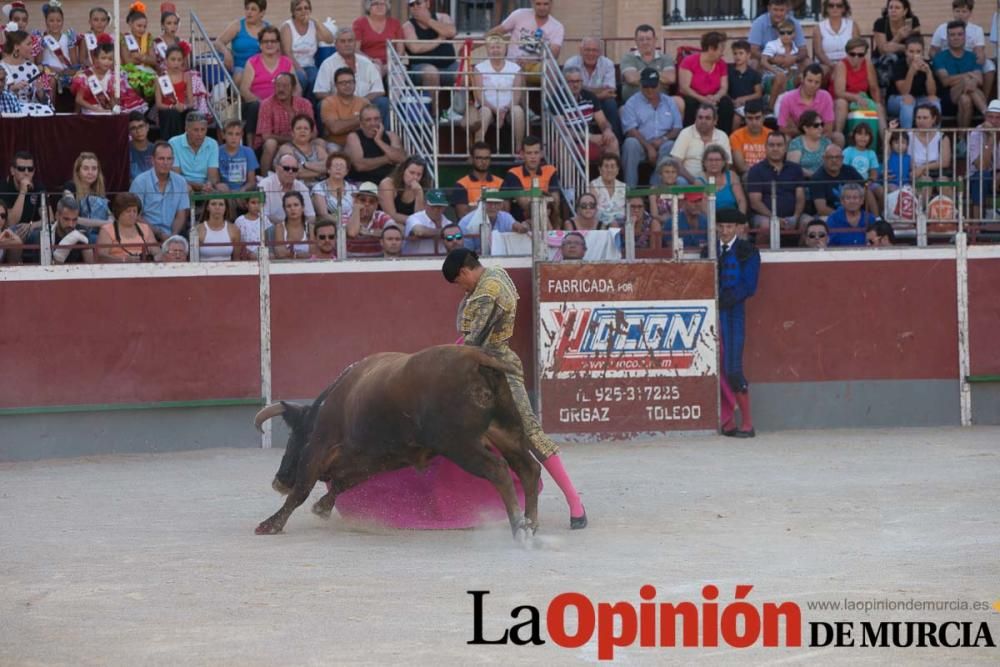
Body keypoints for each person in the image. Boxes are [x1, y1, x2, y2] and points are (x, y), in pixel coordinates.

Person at [442, 248, 587, 528]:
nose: (461, 289)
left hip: (495, 370)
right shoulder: (496, 274)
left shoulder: (486, 293)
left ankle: (575, 503)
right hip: (483, 365)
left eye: (459, 283)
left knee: (531, 434)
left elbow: (472, 342)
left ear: (464, 272)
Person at [706, 208, 759, 438]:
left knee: (732, 367)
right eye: (722, 226)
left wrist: (720, 301)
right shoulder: (707, 249)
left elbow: (749, 286)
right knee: (713, 365)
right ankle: (727, 421)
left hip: (733, 313)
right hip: (712, 314)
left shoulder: (748, 251)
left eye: (730, 227)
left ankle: (747, 423)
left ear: (738, 228)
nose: (725, 231)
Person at [620, 67, 683, 187]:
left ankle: (655, 188)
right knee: (630, 143)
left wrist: (662, 139)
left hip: (662, 142)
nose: (649, 90)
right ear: (640, 85)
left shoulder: (669, 101)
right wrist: (649, 147)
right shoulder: (632, 103)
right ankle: (630, 190)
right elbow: (630, 130)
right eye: (646, 86)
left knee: (670, 145)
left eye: (653, 86)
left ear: (659, 85)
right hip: (641, 143)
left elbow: (677, 127)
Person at [313, 27, 387, 124]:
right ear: (336, 44)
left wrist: (361, 102)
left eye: (350, 41)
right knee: (322, 104)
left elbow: (379, 90)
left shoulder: (367, 63)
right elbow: (319, 92)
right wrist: (341, 101)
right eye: (343, 41)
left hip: (365, 104)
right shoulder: (327, 64)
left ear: (355, 43)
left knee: (383, 102)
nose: (347, 44)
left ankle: (381, 136)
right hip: (339, 105)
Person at [402, 0, 458, 120]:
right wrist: (440, 39)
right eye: (411, 5)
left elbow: (451, 32)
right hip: (420, 68)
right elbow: (415, 48)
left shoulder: (442, 17)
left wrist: (427, 20)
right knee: (431, 72)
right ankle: (434, 114)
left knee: (465, 72)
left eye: (418, 3)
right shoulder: (408, 25)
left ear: (427, 3)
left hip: (448, 66)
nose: (415, 7)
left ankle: (458, 111)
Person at [747, 132, 807, 245]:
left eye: (779, 145)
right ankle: (761, 260)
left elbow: (800, 197)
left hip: (793, 216)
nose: (775, 149)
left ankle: (803, 259)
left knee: (809, 224)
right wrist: (776, 219)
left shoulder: (796, 169)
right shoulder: (756, 170)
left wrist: (795, 217)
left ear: (785, 148)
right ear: (765, 147)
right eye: (771, 145)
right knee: (766, 226)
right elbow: (755, 202)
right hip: (765, 216)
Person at [240, 25, 296, 146]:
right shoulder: (252, 62)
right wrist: (264, 104)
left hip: (282, 102)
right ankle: (251, 147)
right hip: (258, 104)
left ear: (278, 44)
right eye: (265, 41)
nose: (269, 44)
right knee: (254, 107)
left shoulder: (287, 62)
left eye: (273, 41)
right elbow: (244, 90)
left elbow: (296, 87)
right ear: (260, 45)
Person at [469, 34, 525, 153]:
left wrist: (505, 110)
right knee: (484, 112)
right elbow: (479, 95)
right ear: (487, 50)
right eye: (492, 47)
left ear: (504, 49)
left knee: (518, 111)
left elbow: (517, 95)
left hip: (508, 108)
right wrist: (496, 110)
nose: (495, 50)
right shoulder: (479, 68)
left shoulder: (515, 68)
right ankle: (478, 151)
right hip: (487, 106)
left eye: (498, 47)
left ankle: (519, 150)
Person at [929, 0, 994, 99]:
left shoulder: (977, 30)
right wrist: (939, 61)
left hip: (969, 60)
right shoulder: (942, 28)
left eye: (964, 11)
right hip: (947, 60)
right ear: (953, 11)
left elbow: (979, 51)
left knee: (990, 66)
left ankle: (985, 97)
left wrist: (975, 65)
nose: (960, 14)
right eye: (957, 11)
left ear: (970, 13)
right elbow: (933, 50)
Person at [129, 141, 190, 240]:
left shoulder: (180, 181)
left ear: (173, 161)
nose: (165, 163)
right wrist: (159, 234)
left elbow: (181, 214)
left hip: (172, 233)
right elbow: (136, 216)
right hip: (145, 233)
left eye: (169, 159)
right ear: (152, 160)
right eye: (161, 159)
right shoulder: (140, 182)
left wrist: (173, 237)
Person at [933, 20, 987, 131]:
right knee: (967, 81)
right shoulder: (940, 57)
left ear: (965, 37)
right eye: (952, 35)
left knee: (965, 99)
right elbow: (946, 81)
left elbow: (980, 80)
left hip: (970, 99)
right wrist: (968, 76)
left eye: (959, 34)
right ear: (947, 38)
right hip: (948, 97)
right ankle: (989, 115)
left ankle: (961, 140)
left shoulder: (972, 56)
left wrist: (970, 81)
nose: (956, 38)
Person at [563, 36, 621, 139]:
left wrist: (584, 88)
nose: (591, 54)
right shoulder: (570, 63)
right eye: (587, 50)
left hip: (600, 102)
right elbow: (570, 89)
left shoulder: (607, 64)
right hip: (577, 100)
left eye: (594, 50)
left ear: (600, 52)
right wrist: (599, 92)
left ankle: (615, 141)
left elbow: (610, 91)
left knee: (611, 103)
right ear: (581, 51)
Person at [678, 31, 735, 134]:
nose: (722, 53)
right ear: (711, 49)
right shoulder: (689, 61)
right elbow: (684, 88)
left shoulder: (721, 64)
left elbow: (724, 87)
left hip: (713, 98)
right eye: (721, 49)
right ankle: (690, 136)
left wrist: (716, 97)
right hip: (694, 97)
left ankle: (723, 137)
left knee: (726, 103)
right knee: (690, 103)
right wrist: (703, 99)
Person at [71, 38, 146, 115]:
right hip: (90, 109)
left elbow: (112, 99)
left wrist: (114, 109)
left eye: (110, 59)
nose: (106, 62)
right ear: (96, 59)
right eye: (103, 58)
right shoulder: (85, 76)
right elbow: (79, 100)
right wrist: (97, 110)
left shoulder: (113, 76)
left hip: (106, 110)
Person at [256, 71, 314, 171]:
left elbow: (314, 132)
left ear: (293, 88)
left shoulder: (305, 104)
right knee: (270, 143)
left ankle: (321, 177)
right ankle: (264, 180)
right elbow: (266, 136)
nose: (281, 89)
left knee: (320, 142)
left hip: (301, 141)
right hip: (275, 145)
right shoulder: (266, 104)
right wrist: (293, 140)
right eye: (278, 86)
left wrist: (300, 140)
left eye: (285, 86)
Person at [487, 0, 565, 73]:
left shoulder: (557, 27)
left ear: (551, 4)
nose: (542, 8)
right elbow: (496, 32)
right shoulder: (519, 14)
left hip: (538, 69)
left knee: (550, 68)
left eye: (545, 4)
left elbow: (554, 53)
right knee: (517, 71)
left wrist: (531, 60)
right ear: (532, 3)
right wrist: (476, 44)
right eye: (538, 4)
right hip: (514, 66)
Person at [559, 65, 618, 160]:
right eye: (571, 82)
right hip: (569, 140)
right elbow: (562, 129)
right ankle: (568, 175)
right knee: (564, 142)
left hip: (588, 140)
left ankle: (611, 175)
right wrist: (589, 137)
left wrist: (607, 130)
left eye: (578, 81)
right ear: (564, 83)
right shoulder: (557, 99)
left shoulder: (590, 97)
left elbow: (603, 121)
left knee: (612, 140)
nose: (575, 85)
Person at [501, 136, 562, 222]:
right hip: (522, 221)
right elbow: (524, 204)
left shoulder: (550, 170)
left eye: (536, 153)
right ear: (522, 154)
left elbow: (555, 201)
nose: (533, 157)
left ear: (541, 154)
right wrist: (544, 198)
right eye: (529, 153)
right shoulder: (513, 173)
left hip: (548, 215)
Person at [831, 37, 884, 137]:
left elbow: (874, 88)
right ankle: (838, 136)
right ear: (847, 53)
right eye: (852, 54)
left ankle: (886, 143)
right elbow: (839, 92)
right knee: (842, 103)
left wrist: (877, 103)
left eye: (860, 55)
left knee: (879, 107)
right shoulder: (841, 65)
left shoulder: (867, 64)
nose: (856, 58)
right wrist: (856, 98)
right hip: (843, 99)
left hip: (861, 97)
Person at [279, 0, 333, 97]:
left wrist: (316, 21)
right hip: (291, 66)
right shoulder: (287, 26)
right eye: (299, 9)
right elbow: (287, 52)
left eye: (306, 8)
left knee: (316, 79)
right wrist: (299, 69)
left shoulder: (313, 25)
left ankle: (310, 108)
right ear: (293, 12)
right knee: (301, 78)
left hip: (310, 66)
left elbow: (330, 39)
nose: (303, 11)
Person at [344, 103, 405, 183]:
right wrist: (387, 159)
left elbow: (402, 158)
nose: (373, 123)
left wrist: (379, 140)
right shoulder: (354, 137)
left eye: (376, 119)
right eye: (368, 120)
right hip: (363, 184)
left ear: (381, 120)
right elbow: (360, 165)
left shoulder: (391, 136)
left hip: (389, 183)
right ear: (361, 123)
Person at [888, 36, 940, 129]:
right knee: (908, 99)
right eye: (911, 51)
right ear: (906, 52)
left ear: (922, 52)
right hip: (896, 100)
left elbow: (932, 93)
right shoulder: (899, 65)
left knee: (934, 100)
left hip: (919, 99)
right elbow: (904, 92)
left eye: (918, 52)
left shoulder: (927, 64)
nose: (914, 55)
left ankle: (935, 137)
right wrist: (911, 71)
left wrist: (928, 73)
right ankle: (907, 137)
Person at [670, 104, 732, 183]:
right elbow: (676, 162)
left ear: (715, 121)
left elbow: (727, 164)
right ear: (695, 119)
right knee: (680, 181)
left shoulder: (722, 136)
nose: (703, 121)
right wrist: (694, 181)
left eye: (707, 118)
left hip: (715, 181)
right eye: (700, 117)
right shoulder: (686, 133)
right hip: (688, 180)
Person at [23, 196, 93, 265]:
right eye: (66, 219)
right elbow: (47, 271)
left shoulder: (81, 233)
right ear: (57, 216)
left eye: (74, 220)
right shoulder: (44, 235)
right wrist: (68, 242)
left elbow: (91, 269)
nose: (71, 224)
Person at [809, 143, 872, 219]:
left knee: (868, 190)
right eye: (830, 157)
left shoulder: (850, 170)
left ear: (842, 159)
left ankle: (877, 219)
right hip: (830, 215)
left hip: (855, 211)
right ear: (824, 158)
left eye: (837, 157)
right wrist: (845, 216)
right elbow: (821, 209)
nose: (834, 160)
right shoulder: (817, 178)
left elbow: (866, 188)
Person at [778, 64, 836, 142]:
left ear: (821, 83)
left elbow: (828, 128)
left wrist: (804, 131)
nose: (813, 85)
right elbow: (782, 128)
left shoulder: (825, 96)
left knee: (838, 137)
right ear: (802, 79)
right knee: (786, 139)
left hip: (819, 137)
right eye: (810, 81)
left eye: (817, 82)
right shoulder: (788, 98)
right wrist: (809, 133)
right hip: (796, 138)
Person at [215, 0, 269, 82]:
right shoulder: (237, 25)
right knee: (240, 76)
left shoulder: (267, 28)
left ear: (262, 13)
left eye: (253, 9)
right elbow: (218, 42)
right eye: (247, 9)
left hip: (260, 67)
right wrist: (226, 52)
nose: (249, 12)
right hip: (239, 68)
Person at [63, 151, 113, 241]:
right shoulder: (70, 187)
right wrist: (104, 223)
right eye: (86, 169)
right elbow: (72, 218)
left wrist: (110, 219)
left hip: (99, 233)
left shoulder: (98, 191)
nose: (90, 172)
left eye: (94, 169)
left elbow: (111, 216)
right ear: (78, 171)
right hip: (74, 234)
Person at [169, 112, 223, 193]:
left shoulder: (212, 144)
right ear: (186, 129)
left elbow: (212, 175)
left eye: (203, 129)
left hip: (205, 185)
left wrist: (209, 184)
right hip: (183, 184)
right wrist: (198, 186)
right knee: (186, 189)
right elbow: (176, 177)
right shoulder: (174, 143)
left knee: (223, 188)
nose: (200, 134)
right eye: (196, 130)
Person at [873, 0, 921, 91]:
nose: (893, 10)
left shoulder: (912, 21)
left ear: (905, 11)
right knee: (891, 57)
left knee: (913, 58)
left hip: (906, 56)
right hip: (881, 59)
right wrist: (898, 37)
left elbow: (917, 44)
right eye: (890, 7)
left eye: (897, 8)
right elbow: (882, 50)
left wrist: (897, 47)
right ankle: (885, 92)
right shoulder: (881, 23)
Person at [761, 19, 809, 111]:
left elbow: (794, 68)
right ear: (778, 34)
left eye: (789, 32)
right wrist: (776, 71)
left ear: (794, 34)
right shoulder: (772, 45)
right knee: (781, 76)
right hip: (771, 77)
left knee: (802, 77)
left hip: (788, 78)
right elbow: (763, 61)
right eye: (782, 33)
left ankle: (799, 105)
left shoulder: (795, 49)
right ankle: (770, 108)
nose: (786, 35)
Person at [620, 24, 675, 103]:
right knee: (622, 110)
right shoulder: (628, 57)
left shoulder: (666, 58)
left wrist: (641, 74)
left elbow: (670, 79)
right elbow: (632, 79)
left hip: (661, 102)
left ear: (655, 40)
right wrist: (658, 76)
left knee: (678, 102)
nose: (645, 42)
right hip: (634, 102)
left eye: (648, 39)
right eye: (641, 39)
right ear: (636, 41)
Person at [97, 193, 156, 263]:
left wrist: (152, 259)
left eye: (135, 211)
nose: (132, 215)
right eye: (128, 211)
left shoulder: (145, 228)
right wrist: (124, 260)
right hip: (117, 269)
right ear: (118, 212)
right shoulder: (106, 230)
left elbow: (157, 252)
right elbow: (101, 256)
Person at [457, 190, 524, 251]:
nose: (493, 207)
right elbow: (467, 252)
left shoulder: (506, 217)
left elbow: (514, 240)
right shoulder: (465, 222)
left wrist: (521, 227)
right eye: (489, 203)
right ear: (480, 204)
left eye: (497, 203)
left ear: (502, 205)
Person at [259, 153, 316, 224]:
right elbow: (264, 215)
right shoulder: (265, 185)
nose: (290, 172)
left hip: (297, 229)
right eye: (286, 168)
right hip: (271, 229)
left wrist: (299, 226)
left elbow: (311, 216)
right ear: (277, 168)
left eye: (294, 169)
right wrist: (287, 225)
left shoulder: (301, 187)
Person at [452, 142, 505, 219]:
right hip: (471, 228)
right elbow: (462, 214)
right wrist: (491, 209)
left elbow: (505, 211)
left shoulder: (500, 182)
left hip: (496, 226)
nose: (483, 162)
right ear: (471, 159)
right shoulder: (461, 184)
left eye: (486, 158)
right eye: (479, 158)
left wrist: (474, 208)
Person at [966, 98, 1000, 218]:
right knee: (982, 176)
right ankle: (977, 224)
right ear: (985, 118)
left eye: (998, 117)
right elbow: (981, 166)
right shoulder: (977, 133)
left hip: (997, 174)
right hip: (978, 175)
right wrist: (990, 138)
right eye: (990, 117)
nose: (994, 121)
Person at [352, 0, 404, 78]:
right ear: (368, 7)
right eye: (375, 4)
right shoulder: (359, 23)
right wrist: (371, 60)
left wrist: (389, 65)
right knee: (375, 69)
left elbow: (401, 51)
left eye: (383, 4)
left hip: (392, 63)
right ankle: (378, 90)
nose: (380, 6)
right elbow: (356, 50)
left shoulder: (395, 23)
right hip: (367, 62)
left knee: (399, 72)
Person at [909, 103, 951, 198]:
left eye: (925, 118)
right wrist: (917, 169)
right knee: (925, 182)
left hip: (938, 173)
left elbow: (945, 162)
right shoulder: (908, 136)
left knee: (943, 182)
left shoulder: (942, 137)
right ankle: (921, 212)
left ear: (933, 119)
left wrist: (923, 167)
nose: (921, 121)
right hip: (916, 173)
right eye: (918, 118)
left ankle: (950, 212)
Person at [319, 66, 367, 151]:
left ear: (355, 83)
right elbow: (335, 128)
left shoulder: (364, 102)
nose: (347, 85)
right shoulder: (328, 102)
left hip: (360, 143)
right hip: (336, 144)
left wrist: (344, 125)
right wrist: (361, 119)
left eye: (350, 82)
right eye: (343, 83)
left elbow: (371, 126)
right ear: (336, 85)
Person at [273, 114, 328, 184]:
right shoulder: (286, 148)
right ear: (292, 133)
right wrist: (319, 172)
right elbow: (294, 172)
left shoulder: (318, 148)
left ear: (311, 133)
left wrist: (305, 165)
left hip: (319, 188)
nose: (302, 131)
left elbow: (328, 167)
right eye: (298, 128)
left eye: (306, 128)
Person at [154, 45, 193, 141]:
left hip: (182, 109)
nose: (176, 63)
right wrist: (172, 107)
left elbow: (191, 102)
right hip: (167, 111)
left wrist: (184, 106)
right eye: (173, 59)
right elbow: (159, 104)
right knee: (173, 113)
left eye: (179, 60)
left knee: (193, 115)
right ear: (166, 61)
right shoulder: (160, 78)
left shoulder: (186, 76)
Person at [812, 0, 860, 78]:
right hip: (826, 63)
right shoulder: (819, 27)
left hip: (849, 62)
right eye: (831, 5)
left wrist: (844, 64)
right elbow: (818, 52)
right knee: (820, 73)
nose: (835, 8)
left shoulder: (852, 26)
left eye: (839, 5)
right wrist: (831, 65)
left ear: (844, 8)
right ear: (826, 8)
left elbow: (857, 48)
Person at [379, 157, 430, 226]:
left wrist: (419, 194)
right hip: (389, 224)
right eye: (411, 173)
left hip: (413, 226)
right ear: (403, 171)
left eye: (419, 174)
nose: (415, 177)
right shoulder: (388, 184)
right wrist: (414, 221)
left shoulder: (422, 188)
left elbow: (420, 217)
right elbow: (391, 215)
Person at [699, 145, 747, 215]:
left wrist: (741, 219)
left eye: (717, 160)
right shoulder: (700, 180)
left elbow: (741, 201)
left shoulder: (731, 176)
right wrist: (716, 223)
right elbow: (703, 208)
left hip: (733, 218)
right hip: (711, 220)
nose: (714, 163)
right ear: (704, 162)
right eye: (710, 160)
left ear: (724, 162)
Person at [403, 188, 452, 255]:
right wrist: (445, 232)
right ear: (425, 204)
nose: (437, 210)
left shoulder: (448, 223)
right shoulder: (414, 218)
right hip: (413, 261)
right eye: (433, 206)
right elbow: (419, 231)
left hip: (440, 261)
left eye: (441, 206)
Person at [730, 99, 772, 176]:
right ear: (744, 118)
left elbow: (775, 162)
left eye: (757, 118)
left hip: (769, 174)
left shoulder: (771, 135)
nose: (754, 122)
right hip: (748, 175)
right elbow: (741, 167)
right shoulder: (736, 136)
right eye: (750, 118)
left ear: (764, 117)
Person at [0, 150, 41, 227]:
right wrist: (23, 192)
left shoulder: (38, 187)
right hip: (9, 231)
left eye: (30, 169)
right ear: (12, 171)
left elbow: (50, 219)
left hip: (31, 229)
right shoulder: (3, 188)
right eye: (21, 168)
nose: (26, 172)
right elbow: (10, 222)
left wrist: (31, 226)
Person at [311, 151, 356, 220]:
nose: (338, 168)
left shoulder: (353, 188)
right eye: (335, 165)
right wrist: (343, 223)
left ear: (346, 171)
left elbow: (356, 213)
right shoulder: (319, 188)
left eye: (342, 166)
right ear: (328, 170)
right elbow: (323, 215)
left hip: (350, 226)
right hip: (329, 226)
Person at [727, 39, 763, 125]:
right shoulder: (728, 70)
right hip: (730, 103)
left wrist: (743, 99)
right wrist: (732, 101)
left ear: (748, 55)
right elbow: (723, 88)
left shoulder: (754, 74)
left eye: (741, 53)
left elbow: (758, 93)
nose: (737, 56)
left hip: (748, 105)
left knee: (737, 117)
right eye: (735, 53)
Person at [788, 110, 832, 178]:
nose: (820, 128)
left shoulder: (827, 142)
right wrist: (815, 176)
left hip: (824, 182)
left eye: (822, 124)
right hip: (803, 182)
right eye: (816, 125)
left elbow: (832, 164)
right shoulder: (796, 143)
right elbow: (793, 168)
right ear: (805, 128)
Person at [219, 120, 260, 193]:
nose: (233, 137)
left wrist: (242, 190)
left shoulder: (248, 152)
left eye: (237, 134)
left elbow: (251, 181)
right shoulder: (217, 152)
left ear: (242, 135)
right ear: (223, 135)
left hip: (242, 192)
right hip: (224, 192)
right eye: (230, 134)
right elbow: (216, 180)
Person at [197, 197, 241, 261]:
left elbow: (236, 259)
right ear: (207, 207)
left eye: (221, 204)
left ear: (226, 208)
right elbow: (193, 260)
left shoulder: (234, 230)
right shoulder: (198, 230)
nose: (217, 207)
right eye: (213, 204)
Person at [589, 153, 626, 228]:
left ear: (617, 170)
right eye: (606, 166)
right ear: (600, 169)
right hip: (601, 225)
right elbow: (594, 210)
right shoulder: (594, 185)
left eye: (612, 166)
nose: (609, 170)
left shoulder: (624, 186)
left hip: (621, 225)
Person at [273, 190, 311, 259]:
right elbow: (280, 254)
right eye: (288, 206)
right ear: (284, 209)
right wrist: (300, 255)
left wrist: (292, 254)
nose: (292, 209)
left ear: (302, 208)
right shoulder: (280, 227)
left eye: (296, 205)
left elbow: (312, 254)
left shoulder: (310, 227)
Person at [120, 2, 156, 70]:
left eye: (145, 27)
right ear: (130, 23)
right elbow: (127, 61)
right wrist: (145, 59)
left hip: (147, 74)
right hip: (131, 74)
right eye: (139, 26)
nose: (142, 29)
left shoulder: (148, 38)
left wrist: (139, 57)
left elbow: (153, 61)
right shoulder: (124, 38)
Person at [128, 112, 155, 181]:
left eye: (141, 126)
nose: (138, 131)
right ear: (129, 132)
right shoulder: (125, 151)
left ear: (147, 127)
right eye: (133, 128)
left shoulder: (156, 150)